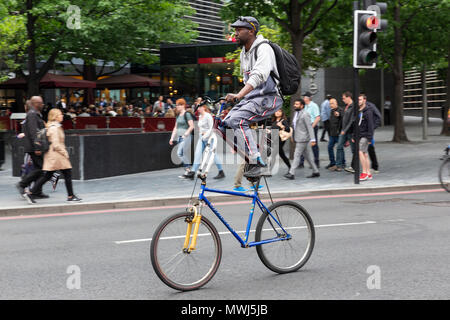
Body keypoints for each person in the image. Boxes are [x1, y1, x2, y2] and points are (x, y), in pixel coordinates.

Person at [221, 16, 282, 178]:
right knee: (225, 123)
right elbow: (248, 81)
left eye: (239, 30)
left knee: (237, 120)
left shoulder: (263, 49)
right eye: (235, 30)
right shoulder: (244, 53)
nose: (236, 33)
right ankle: (251, 158)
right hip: (253, 99)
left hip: (269, 98)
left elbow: (258, 76)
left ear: (251, 31)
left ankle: (257, 162)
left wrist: (239, 95)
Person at [23, 108, 81, 204]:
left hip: (53, 155)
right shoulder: (54, 128)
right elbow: (56, 144)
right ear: (55, 116)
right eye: (60, 114)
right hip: (57, 155)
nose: (62, 116)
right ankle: (71, 196)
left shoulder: (54, 126)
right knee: (67, 174)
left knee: (48, 175)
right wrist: (64, 153)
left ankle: (31, 193)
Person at [15, 96, 50, 200]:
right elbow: (33, 132)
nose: (43, 105)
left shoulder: (35, 114)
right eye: (41, 103)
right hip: (34, 147)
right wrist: (37, 147)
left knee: (39, 168)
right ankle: (22, 184)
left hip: (35, 146)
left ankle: (37, 191)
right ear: (36, 104)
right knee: (41, 168)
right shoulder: (32, 114)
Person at [284, 99, 319, 180]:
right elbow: (294, 127)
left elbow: (309, 127)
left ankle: (291, 173)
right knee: (308, 157)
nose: (295, 105)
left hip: (303, 139)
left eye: (297, 104)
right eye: (295, 104)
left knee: (296, 155)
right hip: (299, 138)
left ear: (302, 106)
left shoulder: (305, 114)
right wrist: (293, 136)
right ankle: (316, 171)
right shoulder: (296, 113)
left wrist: (313, 139)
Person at [189, 102, 225, 180]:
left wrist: (205, 135)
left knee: (213, 155)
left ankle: (221, 171)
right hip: (201, 137)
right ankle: (192, 172)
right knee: (198, 153)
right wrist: (201, 134)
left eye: (199, 107)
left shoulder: (208, 116)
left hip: (209, 137)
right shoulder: (200, 116)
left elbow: (212, 128)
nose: (198, 108)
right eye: (197, 107)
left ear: (203, 107)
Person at [169, 98, 195, 178]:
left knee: (180, 153)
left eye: (178, 105)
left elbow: (192, 126)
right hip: (179, 137)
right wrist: (172, 138)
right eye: (176, 105)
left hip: (186, 137)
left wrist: (185, 134)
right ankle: (188, 172)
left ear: (183, 105)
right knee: (182, 153)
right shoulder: (178, 116)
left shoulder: (187, 114)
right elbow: (175, 127)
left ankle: (188, 170)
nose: (177, 107)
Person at [353, 94, 374, 181]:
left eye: (360, 100)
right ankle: (368, 173)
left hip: (365, 135)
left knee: (360, 151)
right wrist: (354, 135)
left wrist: (370, 138)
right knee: (365, 154)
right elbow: (356, 125)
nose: (359, 101)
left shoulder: (368, 111)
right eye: (358, 100)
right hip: (359, 135)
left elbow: (370, 125)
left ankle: (364, 173)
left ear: (364, 100)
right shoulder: (358, 111)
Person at [336, 91, 356, 173]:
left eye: (344, 98)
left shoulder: (353, 106)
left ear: (349, 97)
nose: (343, 100)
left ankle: (354, 166)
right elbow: (345, 117)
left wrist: (345, 130)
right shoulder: (347, 106)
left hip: (349, 131)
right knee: (339, 146)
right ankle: (339, 165)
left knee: (354, 150)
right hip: (344, 130)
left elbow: (351, 120)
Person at [300, 92, 320, 168]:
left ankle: (316, 162)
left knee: (314, 145)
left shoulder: (314, 106)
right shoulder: (304, 106)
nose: (303, 98)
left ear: (308, 98)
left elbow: (318, 117)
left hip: (312, 127)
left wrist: (311, 127)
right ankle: (301, 162)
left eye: (304, 97)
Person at [326, 98, 343, 171]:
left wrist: (339, 115)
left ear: (336, 103)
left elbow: (343, 117)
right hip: (332, 134)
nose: (330, 105)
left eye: (332, 103)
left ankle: (342, 163)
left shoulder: (340, 110)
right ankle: (332, 162)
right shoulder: (331, 111)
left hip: (338, 133)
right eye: (330, 104)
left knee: (340, 149)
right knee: (330, 147)